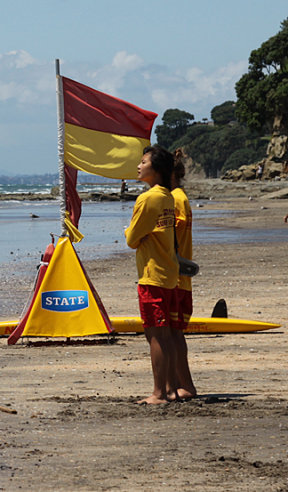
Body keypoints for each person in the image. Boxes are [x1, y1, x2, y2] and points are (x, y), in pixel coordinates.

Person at [125, 145, 179, 405]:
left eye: (143, 161)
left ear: (155, 169)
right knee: (164, 333)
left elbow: (132, 239)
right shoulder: (168, 196)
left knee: (155, 334)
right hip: (167, 272)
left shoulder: (148, 198)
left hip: (152, 274)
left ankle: (159, 393)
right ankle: (169, 388)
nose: (138, 165)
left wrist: (128, 230)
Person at [171, 149, 198, 399]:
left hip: (176, 277)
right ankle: (178, 384)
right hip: (180, 277)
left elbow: (172, 233)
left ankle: (186, 385)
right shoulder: (180, 196)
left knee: (173, 332)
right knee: (173, 332)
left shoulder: (176, 199)